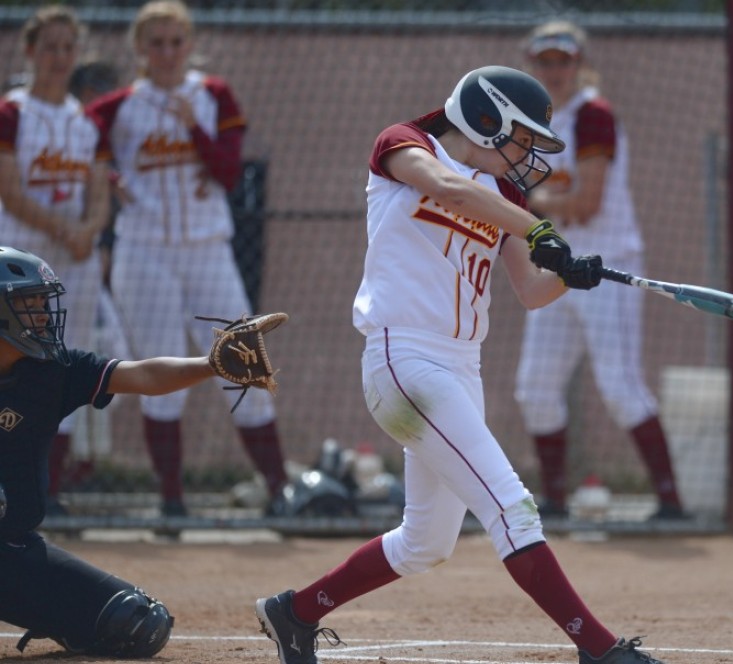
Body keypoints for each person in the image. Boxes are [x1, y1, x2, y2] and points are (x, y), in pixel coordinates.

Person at [254, 65, 665, 664]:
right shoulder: (404, 145)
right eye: (521, 138)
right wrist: (540, 227)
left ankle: (294, 612)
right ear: (485, 118)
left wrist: (574, 276)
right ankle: (599, 650)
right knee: (511, 505)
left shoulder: (507, 198)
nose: (528, 156)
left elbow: (528, 289)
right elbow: (448, 189)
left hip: (460, 369)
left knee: (425, 542)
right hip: (404, 359)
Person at [85, 0, 288, 518]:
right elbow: (79, 154)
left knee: (245, 365)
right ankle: (171, 500)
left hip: (207, 250)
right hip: (145, 252)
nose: (168, 52)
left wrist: (192, 128)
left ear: (190, 44)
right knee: (162, 377)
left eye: (176, 41)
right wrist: (108, 181)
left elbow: (227, 172)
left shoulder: (212, 94)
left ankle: (279, 490)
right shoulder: (116, 107)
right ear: (140, 50)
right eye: (156, 42)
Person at [0, 244, 235, 656]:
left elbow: (142, 376)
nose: (42, 315)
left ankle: (51, 612)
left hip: (11, 549)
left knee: (136, 623)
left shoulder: (53, 372)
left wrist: (212, 364)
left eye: (42, 302)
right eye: (28, 304)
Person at [513, 21, 686, 520]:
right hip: (560, 269)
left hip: (608, 267)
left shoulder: (593, 115)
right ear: (531, 65)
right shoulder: (528, 123)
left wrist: (528, 201)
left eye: (562, 61)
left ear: (579, 63)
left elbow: (585, 203)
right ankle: (556, 501)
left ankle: (672, 501)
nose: (553, 70)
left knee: (620, 386)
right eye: (544, 61)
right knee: (536, 388)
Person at [0, 6, 112, 516]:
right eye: (50, 47)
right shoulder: (12, 111)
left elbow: (98, 191)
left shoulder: (86, 119)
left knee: (63, 362)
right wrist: (65, 230)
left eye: (68, 48)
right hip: (16, 260)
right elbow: (10, 190)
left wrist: (88, 230)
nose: (60, 58)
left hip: (74, 260)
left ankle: (49, 491)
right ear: (29, 51)